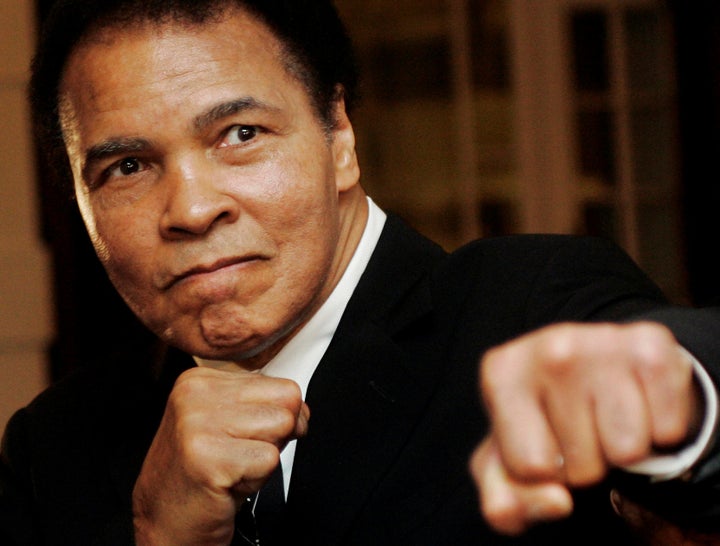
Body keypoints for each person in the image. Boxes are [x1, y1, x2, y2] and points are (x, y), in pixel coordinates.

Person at [1, 0, 720, 544]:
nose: (190, 208)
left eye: (240, 134)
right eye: (128, 166)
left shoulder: (531, 304)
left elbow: (674, 370)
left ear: (338, 135)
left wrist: (682, 399)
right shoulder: (56, 450)